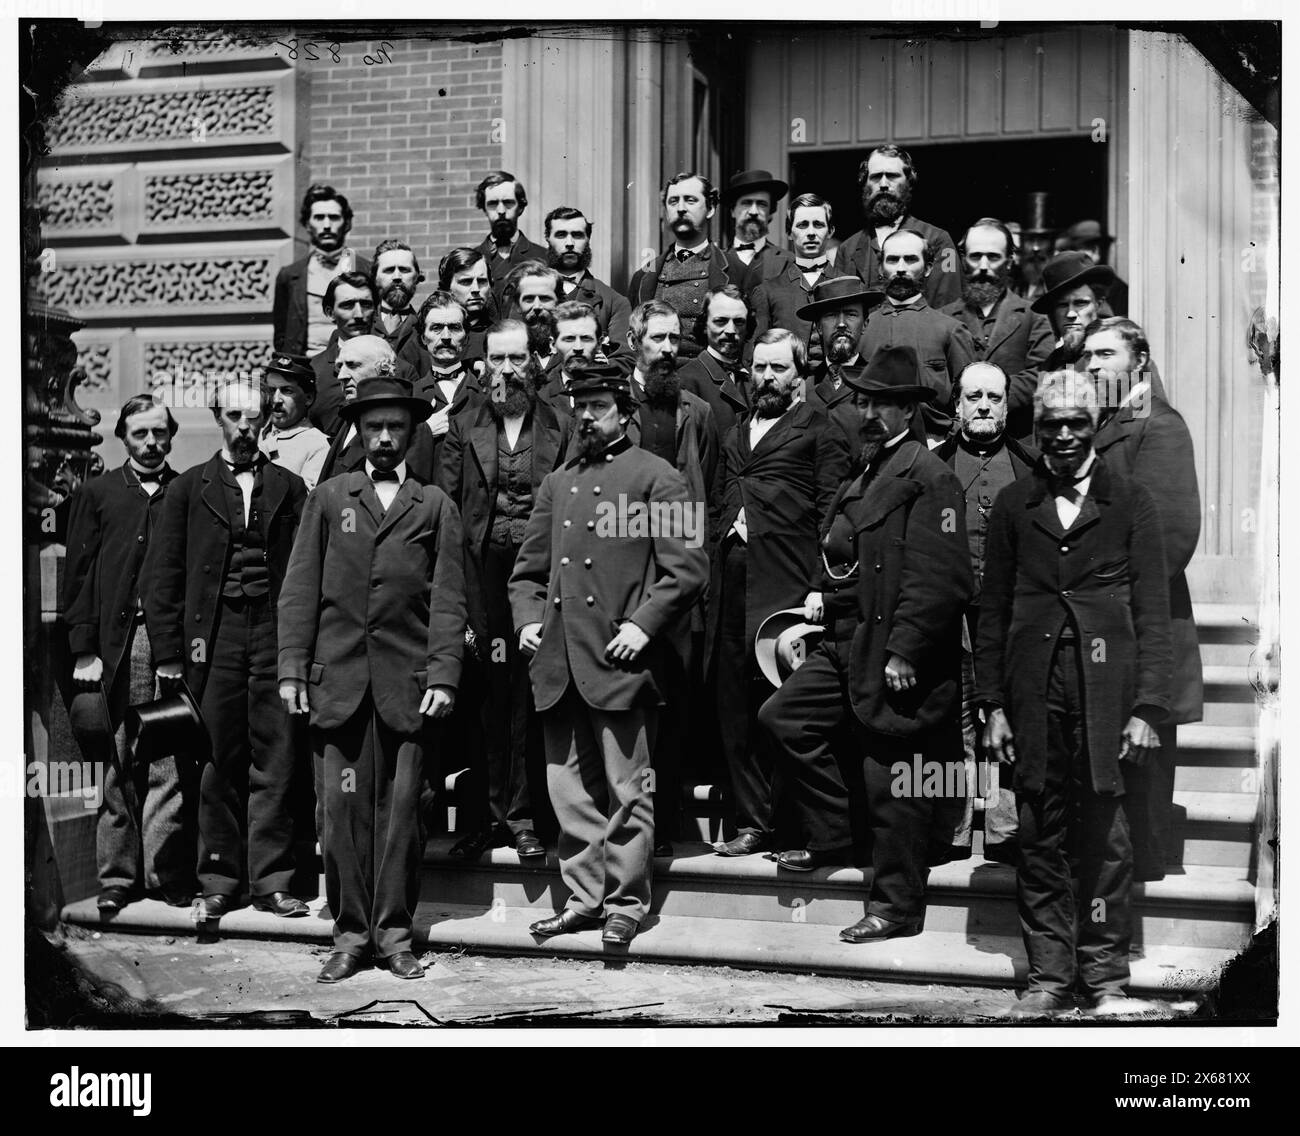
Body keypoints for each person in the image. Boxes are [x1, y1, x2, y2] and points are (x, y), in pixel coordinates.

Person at [758, 346, 972, 947]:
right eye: (863, 400)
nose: (869, 411)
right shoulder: (868, 469)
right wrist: (824, 594)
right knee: (785, 719)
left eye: (882, 402)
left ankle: (898, 905)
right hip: (847, 639)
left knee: (895, 777)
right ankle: (836, 836)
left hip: (897, 651)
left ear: (910, 409)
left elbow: (944, 579)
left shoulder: (932, 478)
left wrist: (906, 648)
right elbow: (849, 556)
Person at [977, 371, 1172, 1018]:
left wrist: (1148, 708)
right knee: (1041, 833)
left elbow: (1152, 613)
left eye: (1076, 423)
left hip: (1106, 693)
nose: (1063, 435)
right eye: (1051, 423)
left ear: (1094, 427)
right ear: (1038, 429)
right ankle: (1051, 978)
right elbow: (993, 610)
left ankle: (1106, 976)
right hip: (1035, 694)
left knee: (1107, 838)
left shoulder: (1131, 502)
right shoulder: (1014, 504)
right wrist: (993, 706)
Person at [508, 365, 709, 945]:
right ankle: (584, 898)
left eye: (598, 406)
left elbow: (689, 569)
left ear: (625, 410)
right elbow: (527, 573)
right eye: (581, 407)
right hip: (559, 660)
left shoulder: (658, 477)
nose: (587, 417)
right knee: (568, 790)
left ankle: (626, 902)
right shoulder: (558, 482)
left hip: (621, 661)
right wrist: (526, 621)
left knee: (628, 790)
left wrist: (644, 627)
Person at [278, 372, 468, 983]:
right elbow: (299, 589)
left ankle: (394, 935)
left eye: (395, 428)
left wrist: (443, 672)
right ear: (358, 433)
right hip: (336, 683)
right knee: (340, 814)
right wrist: (292, 671)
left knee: (403, 814)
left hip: (408, 686)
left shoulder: (435, 505)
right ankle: (349, 935)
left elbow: (448, 600)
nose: (384, 438)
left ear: (412, 435)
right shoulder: (329, 498)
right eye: (373, 427)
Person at [143, 377, 308, 922]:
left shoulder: (289, 487)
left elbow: (306, 574)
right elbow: (163, 575)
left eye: (254, 417)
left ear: (266, 420)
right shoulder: (188, 489)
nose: (244, 427)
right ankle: (219, 878)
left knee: (277, 759)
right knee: (215, 760)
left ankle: (274, 881)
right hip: (209, 642)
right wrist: (168, 654)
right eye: (234, 417)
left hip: (274, 637)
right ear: (218, 418)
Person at [709, 329, 849, 857]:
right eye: (759, 367)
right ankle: (752, 823)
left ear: (800, 375)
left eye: (778, 369)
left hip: (787, 588)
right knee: (733, 706)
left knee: (780, 705)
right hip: (731, 585)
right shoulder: (734, 432)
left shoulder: (821, 429)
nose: (767, 377)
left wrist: (820, 586)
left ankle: (793, 826)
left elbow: (831, 518)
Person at [436, 334, 568, 862]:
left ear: (533, 363)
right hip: (483, 579)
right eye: (497, 359)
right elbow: (447, 512)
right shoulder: (463, 424)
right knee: (490, 698)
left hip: (541, 579)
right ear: (482, 364)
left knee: (534, 698)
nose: (507, 370)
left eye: (517, 358)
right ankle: (492, 819)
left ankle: (531, 817)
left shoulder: (560, 424)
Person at [1084, 317, 1202, 883]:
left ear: (1140, 359)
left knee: (1144, 762)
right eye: (1087, 355)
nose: (1091, 365)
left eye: (1105, 354)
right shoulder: (1111, 422)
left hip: (1141, 622)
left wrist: (1113, 604)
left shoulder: (1160, 425)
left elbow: (1171, 538)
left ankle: (1142, 887)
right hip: (1108, 621)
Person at [64, 394, 192, 911]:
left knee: (167, 763)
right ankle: (117, 878)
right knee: (115, 761)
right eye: (140, 433)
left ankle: (167, 875)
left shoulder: (186, 491)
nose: (151, 443)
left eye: (160, 433)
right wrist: (82, 648)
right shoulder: (97, 494)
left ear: (171, 435)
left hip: (169, 646)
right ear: (123, 437)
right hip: (114, 649)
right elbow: (78, 574)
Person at [933, 362, 1039, 863]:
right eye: (973, 397)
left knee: (1003, 713)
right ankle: (953, 829)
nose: (982, 406)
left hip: (1008, 615)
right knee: (955, 717)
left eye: (994, 398)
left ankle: (1003, 829)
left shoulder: (1029, 468)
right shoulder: (932, 466)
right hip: (948, 614)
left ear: (1005, 407)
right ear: (957, 406)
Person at [940, 218, 1054, 440]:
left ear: (1009, 261)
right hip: (957, 440)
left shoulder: (1033, 316)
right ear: (963, 260)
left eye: (993, 257)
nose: (983, 266)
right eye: (975, 256)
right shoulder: (943, 318)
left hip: (1016, 440)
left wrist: (992, 397)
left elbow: (1043, 373)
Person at [859, 228, 976, 441]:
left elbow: (970, 402)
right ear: (881, 267)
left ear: (929, 267)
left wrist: (948, 440)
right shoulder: (865, 327)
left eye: (910, 259)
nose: (901, 268)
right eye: (893, 260)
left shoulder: (950, 329)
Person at [626, 171, 740, 358]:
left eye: (690, 200)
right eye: (673, 201)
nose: (680, 208)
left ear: (711, 209)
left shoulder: (736, 270)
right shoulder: (643, 275)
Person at [832, 145, 960, 308]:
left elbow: (948, 309)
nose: (883, 184)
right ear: (865, 183)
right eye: (876, 177)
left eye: (892, 176)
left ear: (909, 183)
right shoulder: (847, 249)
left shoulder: (938, 240)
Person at [273, 185, 368, 356]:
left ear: (346, 223)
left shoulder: (366, 270)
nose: (326, 225)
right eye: (319, 217)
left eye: (333, 218)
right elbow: (282, 336)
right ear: (307, 224)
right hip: (306, 370)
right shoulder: (289, 275)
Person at [750, 192, 845, 363]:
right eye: (802, 225)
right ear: (789, 232)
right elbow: (754, 356)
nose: (810, 233)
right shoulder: (768, 292)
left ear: (830, 231)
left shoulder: (848, 287)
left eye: (818, 225)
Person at [797, 276, 885, 445]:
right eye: (831, 315)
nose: (842, 324)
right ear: (818, 326)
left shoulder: (880, 383)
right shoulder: (801, 386)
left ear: (865, 323)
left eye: (851, 314)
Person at [543, 205, 632, 348]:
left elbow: (623, 360)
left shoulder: (615, 303)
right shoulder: (529, 294)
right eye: (561, 235)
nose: (570, 243)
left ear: (588, 238)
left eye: (577, 235)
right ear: (547, 238)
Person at [309, 271, 381, 437]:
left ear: (376, 309)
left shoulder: (401, 367)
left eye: (366, 304)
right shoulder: (313, 372)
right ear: (330, 312)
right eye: (348, 305)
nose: (359, 314)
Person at [677, 286, 753, 440]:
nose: (731, 330)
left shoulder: (754, 376)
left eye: (739, 322)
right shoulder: (686, 380)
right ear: (704, 325)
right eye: (721, 321)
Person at [259, 354, 330, 491]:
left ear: (308, 398)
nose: (276, 399)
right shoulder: (255, 432)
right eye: (271, 390)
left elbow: (308, 501)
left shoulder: (319, 445)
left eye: (287, 391)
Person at [721, 168, 793, 295]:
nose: (753, 212)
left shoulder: (788, 261)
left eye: (761, 204)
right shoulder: (716, 260)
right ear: (733, 210)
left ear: (770, 213)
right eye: (746, 203)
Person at [475, 170, 549, 285]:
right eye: (493, 204)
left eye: (508, 202)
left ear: (520, 208)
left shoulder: (544, 257)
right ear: (484, 209)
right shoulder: (471, 260)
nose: (501, 211)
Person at [438, 246, 496, 360]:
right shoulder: (429, 336)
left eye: (482, 281)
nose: (475, 289)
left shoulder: (498, 336)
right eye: (466, 281)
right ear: (447, 287)